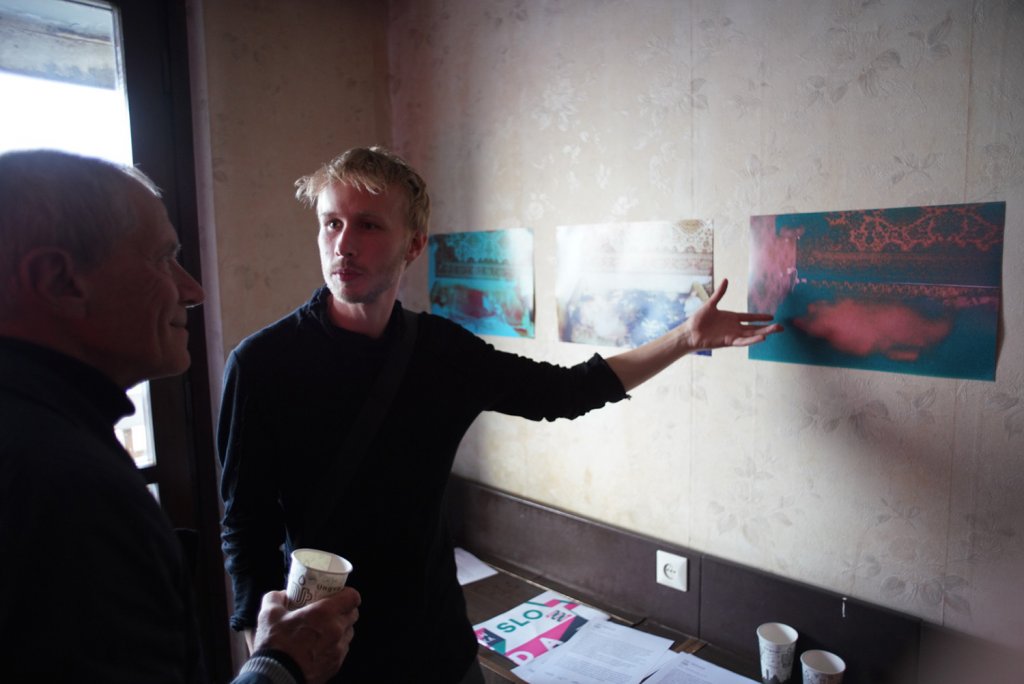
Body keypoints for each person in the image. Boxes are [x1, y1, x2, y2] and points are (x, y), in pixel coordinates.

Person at [218, 146, 782, 683]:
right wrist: (266, 660)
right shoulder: (263, 364)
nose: (343, 245)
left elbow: (567, 391)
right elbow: (246, 531)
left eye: (367, 225)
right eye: (331, 223)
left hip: (437, 648)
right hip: (328, 654)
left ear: (413, 245)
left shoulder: (441, 354)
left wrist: (686, 338)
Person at [0, 149, 360, 684]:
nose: (192, 291)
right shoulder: (63, 488)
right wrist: (279, 663)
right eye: (163, 258)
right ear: (57, 279)